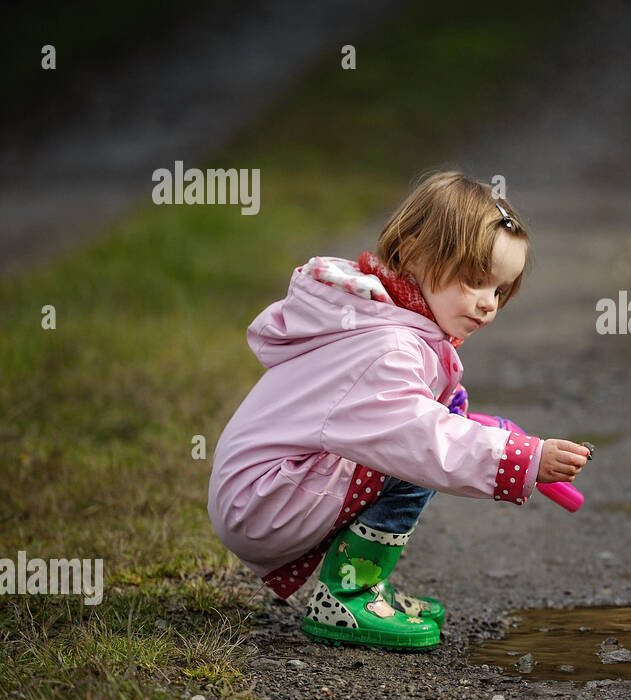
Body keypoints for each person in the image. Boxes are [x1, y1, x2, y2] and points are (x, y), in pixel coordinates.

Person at [206, 171, 590, 650]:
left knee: (412, 443)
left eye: (499, 290)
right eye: (474, 281)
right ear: (413, 253)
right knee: (413, 460)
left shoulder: (382, 319)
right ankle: (350, 594)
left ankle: (364, 584)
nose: (488, 304)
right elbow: (417, 436)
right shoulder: (388, 347)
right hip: (266, 502)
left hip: (269, 489)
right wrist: (518, 460)